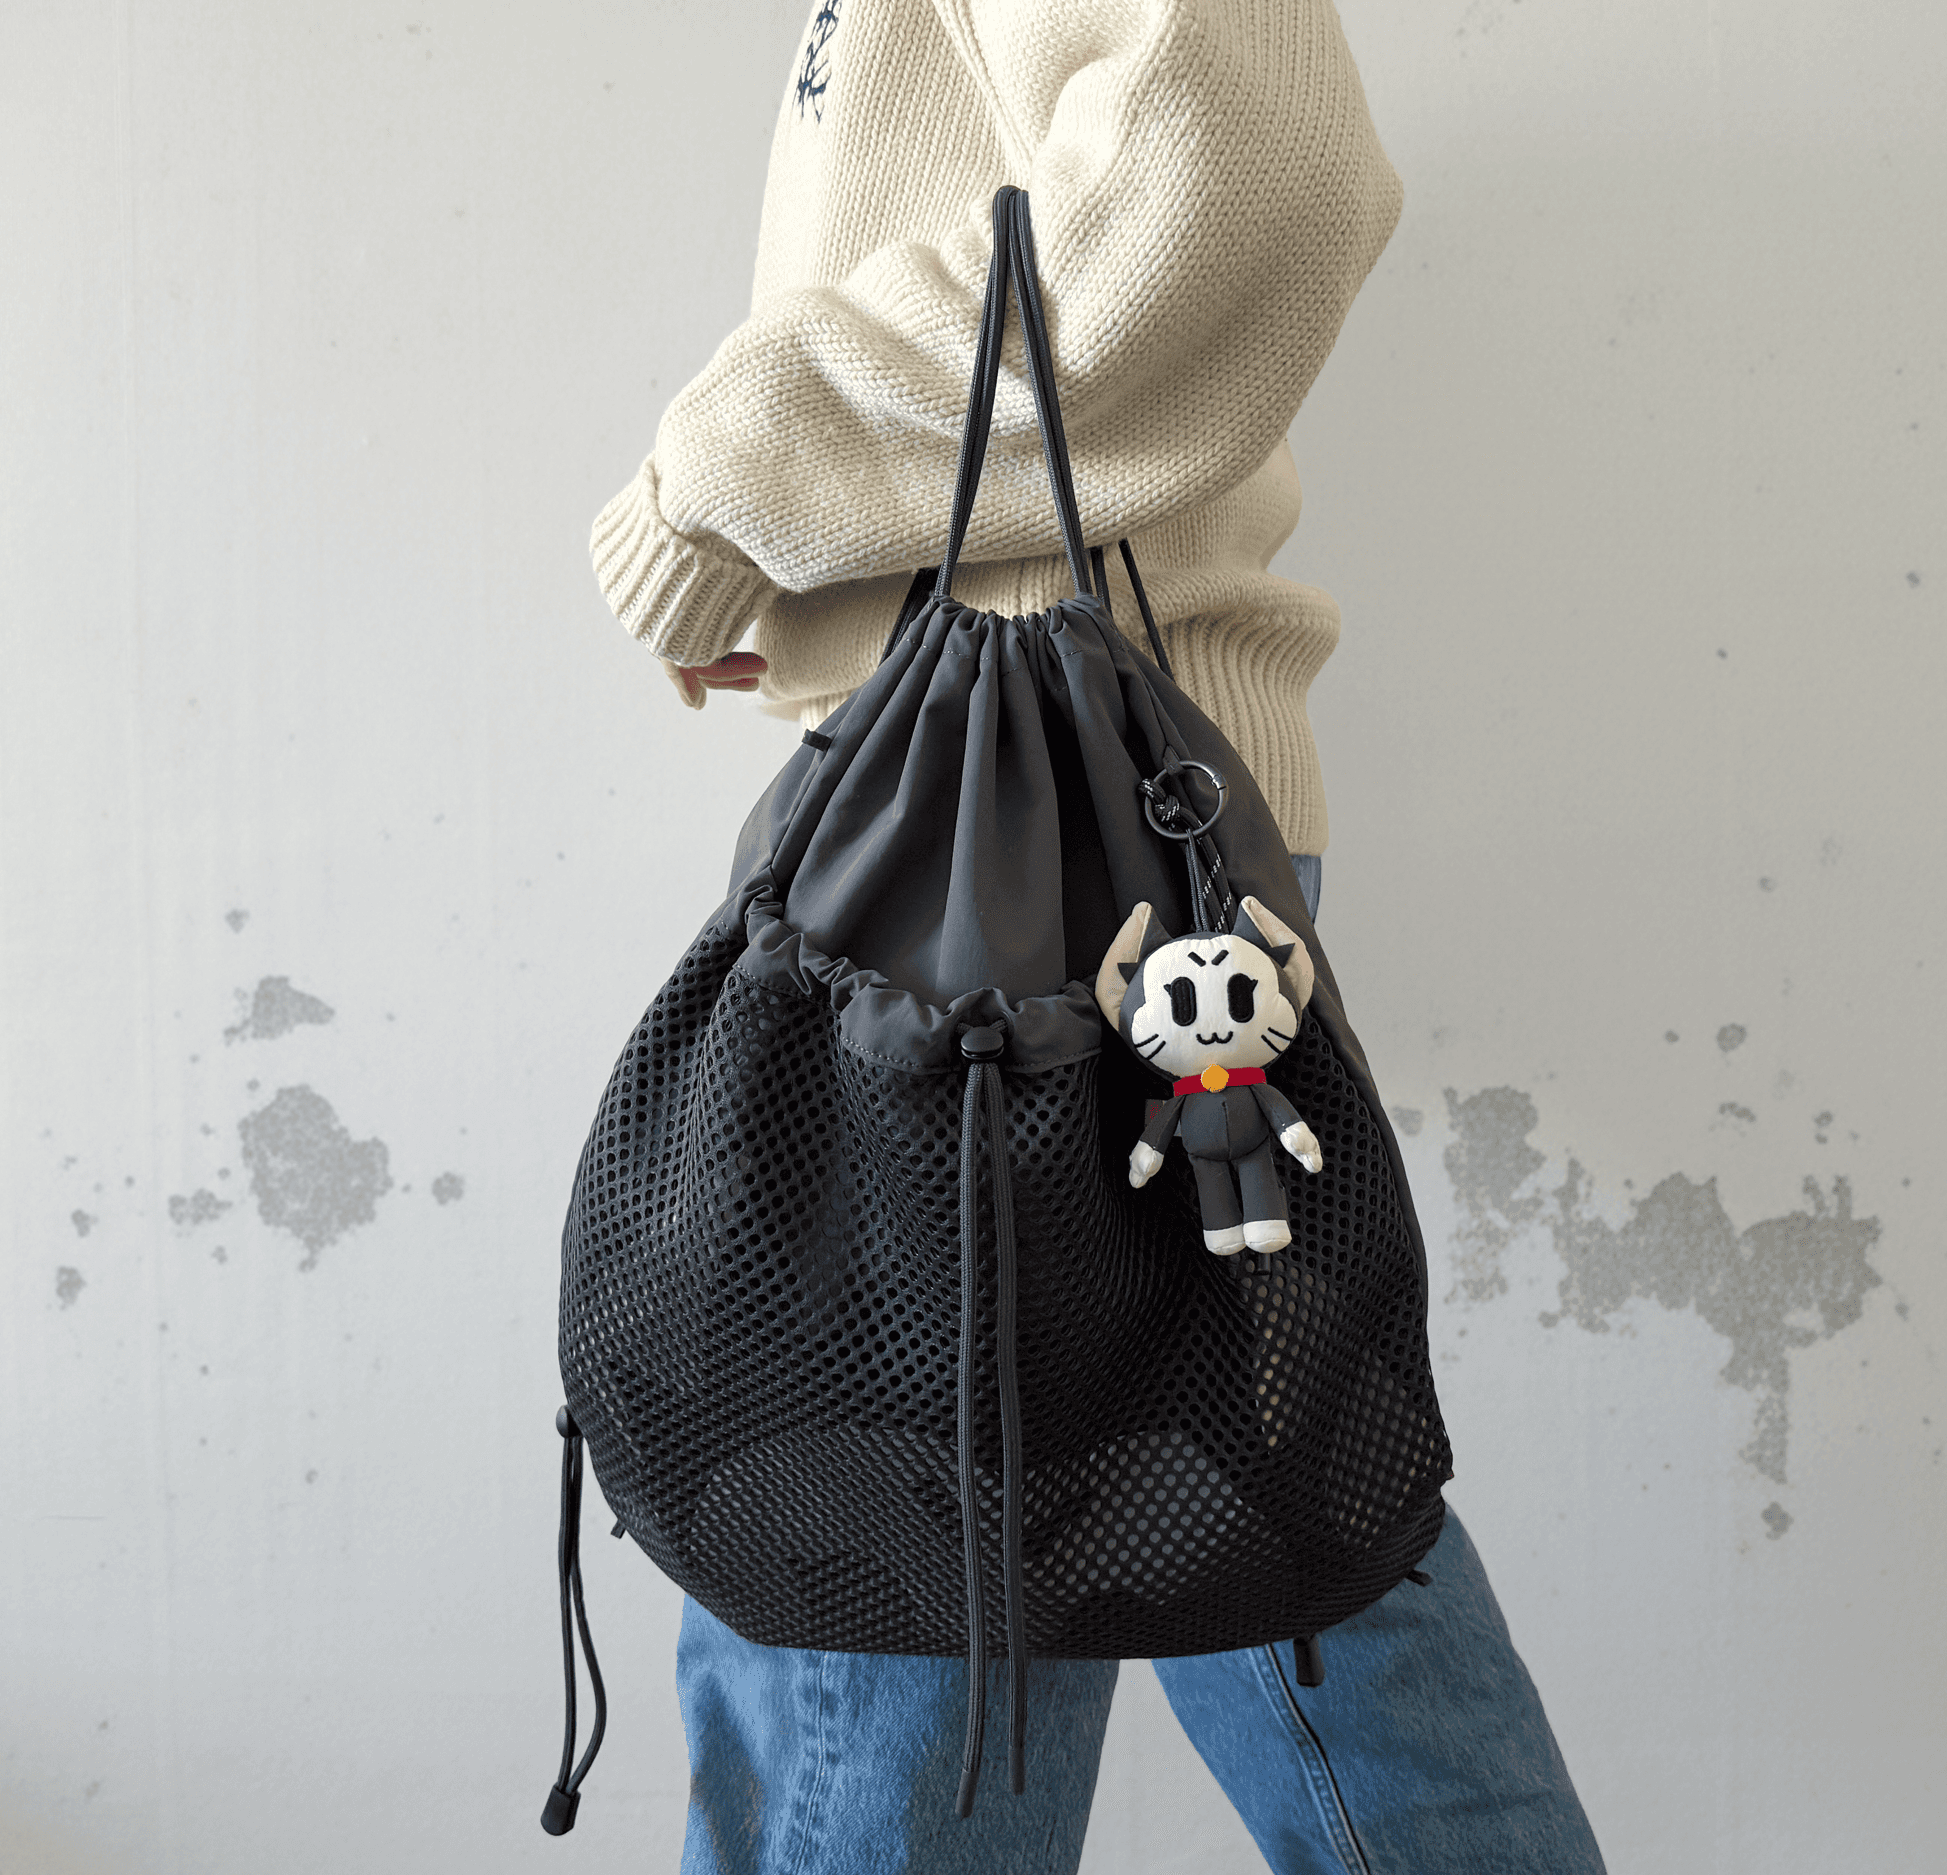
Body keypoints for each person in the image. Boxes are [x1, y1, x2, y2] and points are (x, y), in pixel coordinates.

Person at [592, 3, 1606, 1869]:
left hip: (1040, 845)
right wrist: (810, 573)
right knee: (1270, 1538)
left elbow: (1250, 170)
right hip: (1013, 815)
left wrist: (732, 482)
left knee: (888, 1554)